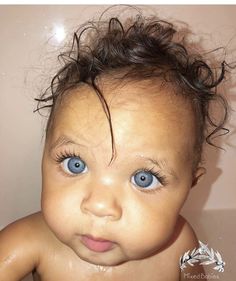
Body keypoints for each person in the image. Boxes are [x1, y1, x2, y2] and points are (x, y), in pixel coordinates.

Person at [0, 10, 230, 281]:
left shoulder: (181, 245)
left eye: (143, 179)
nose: (99, 206)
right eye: (76, 164)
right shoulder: (28, 242)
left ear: (191, 184)